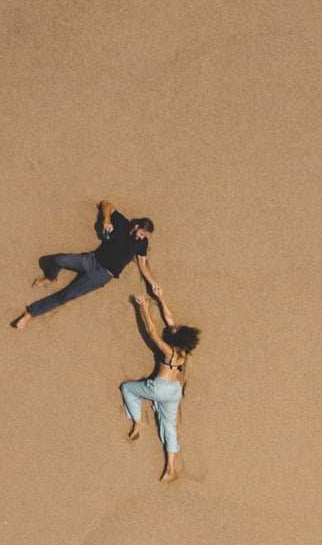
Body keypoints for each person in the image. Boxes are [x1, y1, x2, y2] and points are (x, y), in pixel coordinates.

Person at [11, 202, 155, 327]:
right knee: (58, 260)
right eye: (141, 233)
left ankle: (30, 313)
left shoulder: (142, 243)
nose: (141, 237)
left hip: (101, 275)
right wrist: (106, 220)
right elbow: (106, 204)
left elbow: (143, 264)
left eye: (144, 236)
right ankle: (51, 277)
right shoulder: (123, 223)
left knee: (66, 294)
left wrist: (153, 283)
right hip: (91, 259)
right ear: (136, 226)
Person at [121, 275, 200, 483]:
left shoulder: (168, 351)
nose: (175, 326)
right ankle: (169, 468)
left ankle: (137, 422)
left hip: (160, 388)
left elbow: (152, 331)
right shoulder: (183, 353)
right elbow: (170, 320)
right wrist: (161, 299)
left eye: (177, 330)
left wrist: (144, 308)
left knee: (128, 389)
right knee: (169, 426)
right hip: (174, 391)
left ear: (178, 337)